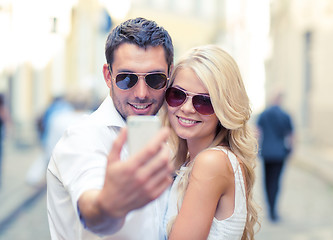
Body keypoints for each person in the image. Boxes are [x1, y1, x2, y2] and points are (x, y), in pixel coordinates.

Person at [47, 17, 174, 239]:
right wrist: (110, 205)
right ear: (108, 76)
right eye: (126, 79)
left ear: (169, 75)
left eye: (155, 79)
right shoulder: (83, 137)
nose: (142, 93)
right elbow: (93, 211)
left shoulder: (174, 136)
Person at [161, 45, 259, 240]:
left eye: (204, 101)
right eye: (177, 95)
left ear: (225, 108)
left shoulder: (211, 162)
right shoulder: (194, 160)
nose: (187, 108)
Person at [256, 90, 294, 222]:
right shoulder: (285, 115)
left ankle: (270, 206)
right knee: (276, 181)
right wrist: (290, 150)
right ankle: (273, 209)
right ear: (281, 99)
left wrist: (256, 148)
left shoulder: (264, 114)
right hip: (279, 153)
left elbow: (257, 132)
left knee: (267, 180)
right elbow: (291, 135)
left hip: (267, 152)